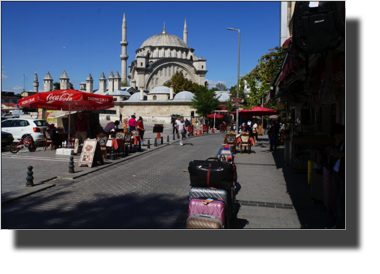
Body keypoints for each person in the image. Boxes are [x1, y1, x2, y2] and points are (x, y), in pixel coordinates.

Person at [330, 123, 345, 229]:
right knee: (338, 200)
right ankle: (338, 223)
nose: (338, 139)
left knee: (342, 203)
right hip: (338, 172)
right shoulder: (342, 142)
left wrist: (341, 154)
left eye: (339, 137)